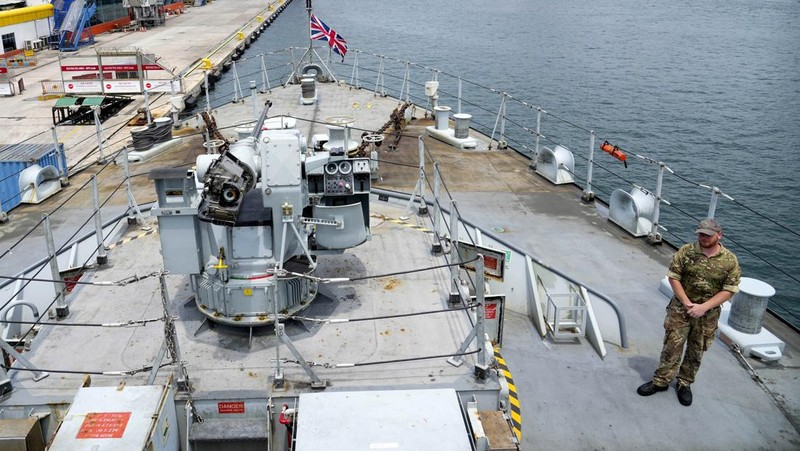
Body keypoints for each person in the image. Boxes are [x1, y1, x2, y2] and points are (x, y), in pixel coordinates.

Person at [637, 218, 741, 406]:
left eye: (708, 235)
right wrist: (687, 303)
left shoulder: (729, 260)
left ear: (719, 235)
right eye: (701, 234)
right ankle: (661, 381)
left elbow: (729, 289)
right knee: (672, 345)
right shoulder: (686, 251)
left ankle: (684, 384)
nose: (703, 238)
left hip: (707, 314)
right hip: (680, 309)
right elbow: (674, 277)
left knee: (696, 350)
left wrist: (704, 307)